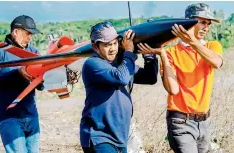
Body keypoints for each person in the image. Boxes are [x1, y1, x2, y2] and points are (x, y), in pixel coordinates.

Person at [137, 3, 223, 153]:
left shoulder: (212, 46)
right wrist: (162, 54)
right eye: (202, 22)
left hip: (204, 123)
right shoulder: (171, 53)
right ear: (188, 22)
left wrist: (192, 42)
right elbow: (173, 89)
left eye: (208, 23)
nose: (206, 27)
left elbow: (216, 62)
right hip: (180, 123)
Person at [80, 21, 158, 153]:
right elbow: (121, 78)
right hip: (100, 137)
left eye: (115, 43)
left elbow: (149, 78)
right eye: (107, 45)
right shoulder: (92, 64)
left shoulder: (120, 66)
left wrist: (150, 57)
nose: (112, 49)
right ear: (95, 47)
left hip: (120, 138)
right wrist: (129, 52)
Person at [0, 15, 44, 153]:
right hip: (8, 116)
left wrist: (47, 77)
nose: (30, 37)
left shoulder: (33, 52)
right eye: (28, 33)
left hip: (31, 115)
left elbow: (40, 86)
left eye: (31, 34)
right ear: (16, 32)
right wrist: (18, 72)